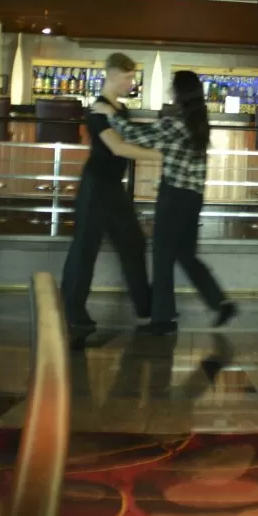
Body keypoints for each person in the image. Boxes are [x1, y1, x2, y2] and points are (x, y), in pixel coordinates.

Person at [95, 70, 236, 336]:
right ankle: (220, 302)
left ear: (179, 93)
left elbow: (135, 135)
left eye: (173, 88)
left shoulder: (176, 123)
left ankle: (163, 319)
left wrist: (110, 113)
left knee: (162, 255)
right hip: (193, 197)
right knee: (186, 254)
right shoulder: (199, 122)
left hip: (174, 196)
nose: (171, 92)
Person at [61, 53, 152, 336]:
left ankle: (146, 308)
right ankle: (73, 312)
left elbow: (129, 139)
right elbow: (118, 147)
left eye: (132, 77)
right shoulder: (98, 110)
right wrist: (163, 157)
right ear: (112, 75)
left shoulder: (119, 110)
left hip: (113, 187)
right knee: (85, 249)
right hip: (96, 187)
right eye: (128, 77)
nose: (131, 83)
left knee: (134, 243)